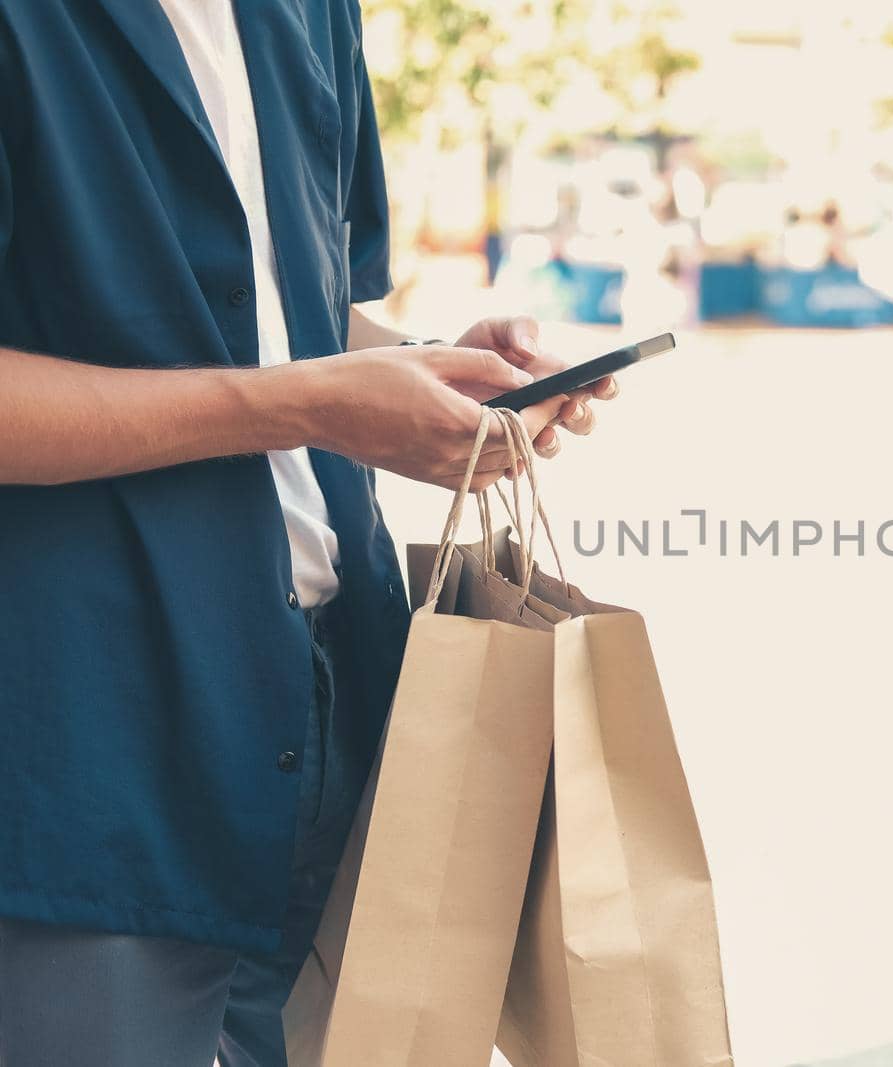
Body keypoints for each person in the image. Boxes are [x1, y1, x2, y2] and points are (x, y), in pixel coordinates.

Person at [0, 3, 615, 1064]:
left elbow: (300, 313)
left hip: (346, 698)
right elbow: (294, 381)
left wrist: (437, 368)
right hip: (86, 738)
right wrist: (311, 405)